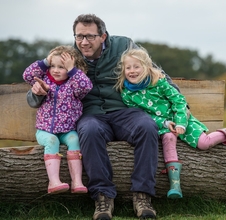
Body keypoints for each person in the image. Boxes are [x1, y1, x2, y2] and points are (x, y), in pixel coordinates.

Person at [26, 14, 180, 220]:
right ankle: (102, 197)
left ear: (103, 36)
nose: (83, 42)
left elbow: (153, 71)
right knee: (87, 131)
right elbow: (45, 81)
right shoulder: (68, 56)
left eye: (89, 36)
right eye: (79, 36)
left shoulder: (124, 45)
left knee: (146, 125)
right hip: (92, 115)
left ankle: (143, 195)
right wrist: (36, 92)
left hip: (125, 110)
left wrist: (182, 105)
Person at [114, 47, 226, 199]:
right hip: (163, 126)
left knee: (203, 143)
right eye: (128, 67)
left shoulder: (159, 83)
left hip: (183, 120)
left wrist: (180, 123)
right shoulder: (127, 94)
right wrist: (165, 124)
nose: (132, 71)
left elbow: (179, 101)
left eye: (136, 66)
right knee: (168, 139)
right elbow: (140, 116)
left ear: (146, 67)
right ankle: (175, 184)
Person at [23, 45, 93, 194]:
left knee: (75, 139)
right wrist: (46, 61)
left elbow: (86, 86)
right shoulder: (44, 81)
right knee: (52, 141)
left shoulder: (73, 86)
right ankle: (53, 182)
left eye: (61, 67)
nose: (55, 70)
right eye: (52, 66)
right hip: (45, 131)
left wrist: (72, 69)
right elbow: (27, 75)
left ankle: (77, 182)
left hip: (67, 131)